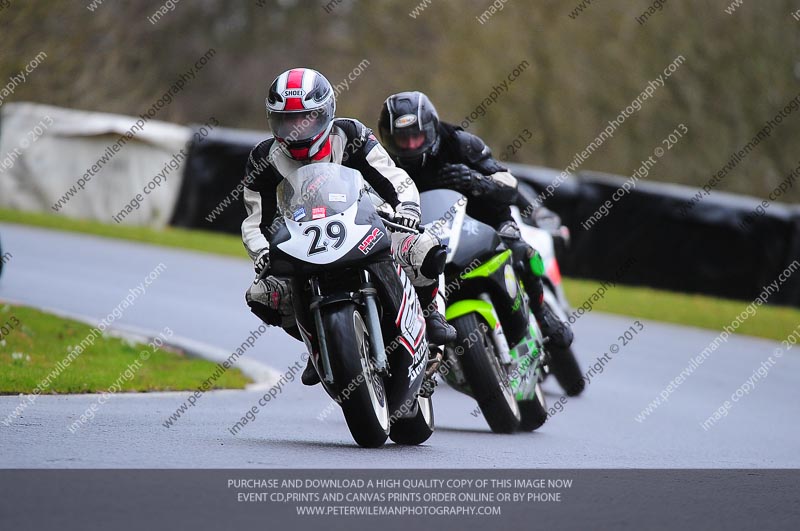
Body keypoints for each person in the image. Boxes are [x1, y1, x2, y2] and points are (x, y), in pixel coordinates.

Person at [242, 69, 456, 386]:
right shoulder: (263, 157)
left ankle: (430, 312)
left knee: (425, 249)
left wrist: (407, 209)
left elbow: (393, 177)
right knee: (261, 294)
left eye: (307, 119)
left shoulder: (351, 134)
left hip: (366, 221)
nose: (298, 129)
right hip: (303, 238)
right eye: (287, 121)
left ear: (327, 112)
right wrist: (261, 253)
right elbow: (254, 219)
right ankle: (319, 344)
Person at [377, 91, 573, 348]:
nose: (411, 145)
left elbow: (510, 184)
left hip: (485, 215)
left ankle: (542, 313)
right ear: (388, 139)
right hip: (428, 231)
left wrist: (475, 180)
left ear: (431, 128)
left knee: (517, 246)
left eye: (417, 136)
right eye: (402, 139)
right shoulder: (384, 163)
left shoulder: (460, 142)